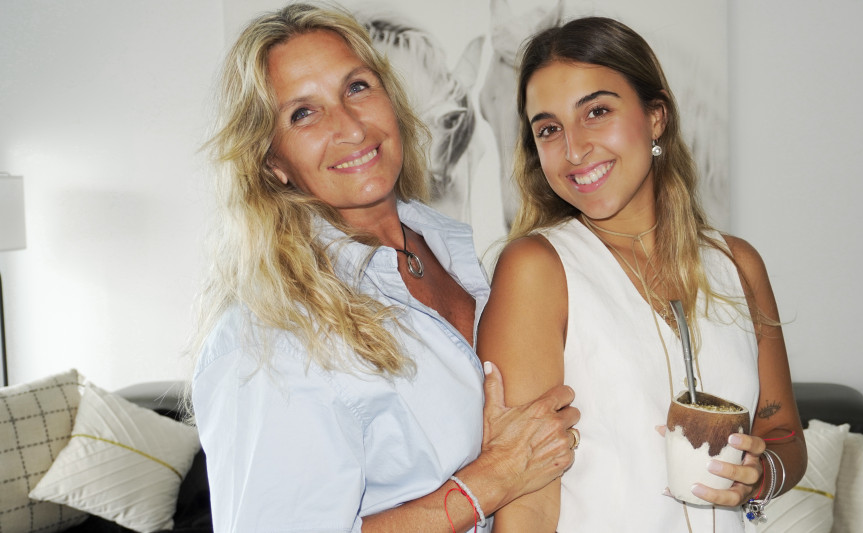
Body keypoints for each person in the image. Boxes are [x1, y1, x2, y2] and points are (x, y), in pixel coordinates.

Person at [189, 4, 580, 532]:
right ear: (272, 161)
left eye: (357, 87)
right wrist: (490, 480)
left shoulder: (452, 251)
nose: (350, 128)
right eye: (302, 114)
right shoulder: (264, 335)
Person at [477, 16, 807, 532]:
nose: (574, 149)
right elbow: (527, 505)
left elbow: (783, 432)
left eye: (597, 112)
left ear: (656, 117)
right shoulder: (536, 270)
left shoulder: (738, 264)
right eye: (549, 129)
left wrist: (759, 477)